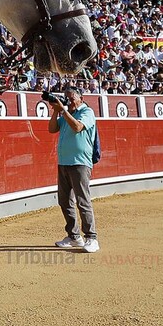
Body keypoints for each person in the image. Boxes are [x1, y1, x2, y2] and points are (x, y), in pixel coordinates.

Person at [47, 87, 99, 253]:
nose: (68, 101)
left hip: (80, 163)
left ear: (81, 98)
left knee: (82, 201)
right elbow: (52, 128)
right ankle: (74, 236)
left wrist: (63, 110)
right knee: (65, 201)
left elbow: (77, 127)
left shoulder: (87, 112)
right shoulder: (66, 113)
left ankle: (91, 237)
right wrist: (56, 111)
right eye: (66, 98)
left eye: (71, 98)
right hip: (64, 162)